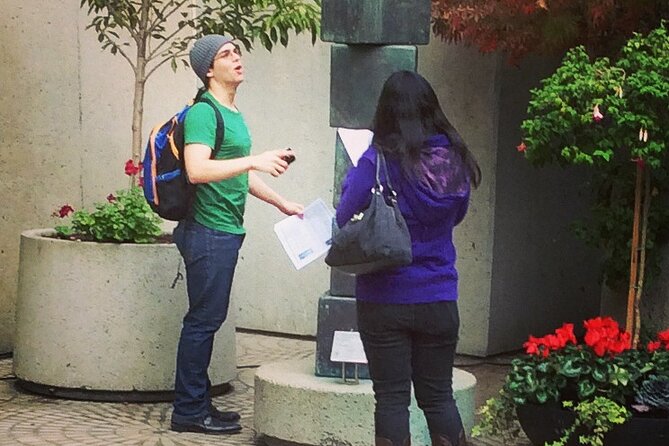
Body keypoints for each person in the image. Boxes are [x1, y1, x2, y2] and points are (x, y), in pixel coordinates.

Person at [335, 70, 481, 446]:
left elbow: (344, 213)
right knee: (439, 397)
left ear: (385, 112)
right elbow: (456, 215)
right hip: (439, 296)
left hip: (384, 298)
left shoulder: (377, 160)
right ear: (431, 109)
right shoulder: (454, 159)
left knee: (391, 400)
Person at [170, 34, 303, 435]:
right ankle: (189, 411)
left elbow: (236, 173)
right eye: (226, 55)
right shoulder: (204, 113)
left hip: (225, 230)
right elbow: (198, 170)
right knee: (202, 321)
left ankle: (198, 401)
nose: (236, 58)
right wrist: (254, 161)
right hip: (207, 231)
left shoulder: (233, 113)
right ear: (209, 70)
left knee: (209, 319)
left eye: (237, 52)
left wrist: (281, 203)